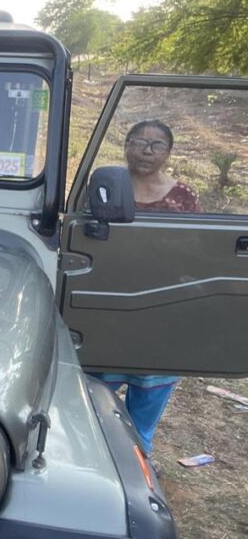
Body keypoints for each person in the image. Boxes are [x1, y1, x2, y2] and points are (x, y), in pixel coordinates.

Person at [92, 119, 201, 457]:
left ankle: (139, 463)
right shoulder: (105, 186)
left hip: (161, 308)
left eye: (156, 145)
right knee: (94, 398)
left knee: (148, 403)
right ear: (125, 146)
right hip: (109, 305)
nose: (146, 151)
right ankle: (96, 461)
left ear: (169, 153)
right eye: (138, 142)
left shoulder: (183, 196)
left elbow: (194, 248)